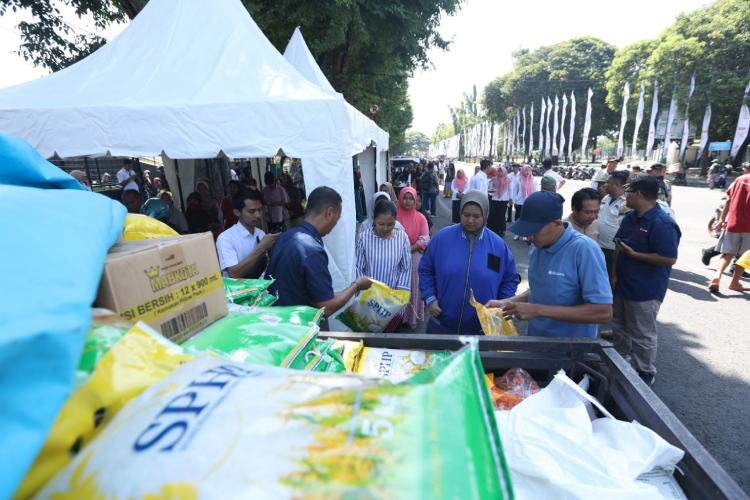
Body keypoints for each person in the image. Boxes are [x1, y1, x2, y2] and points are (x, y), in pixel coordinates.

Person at [488, 191, 613, 338]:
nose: (529, 237)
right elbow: (542, 287)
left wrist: (538, 310)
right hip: (536, 341)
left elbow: (603, 312)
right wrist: (507, 302)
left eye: (534, 231)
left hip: (571, 350)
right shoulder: (537, 245)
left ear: (557, 224)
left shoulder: (585, 250)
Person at [611, 176, 681, 387]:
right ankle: (619, 360)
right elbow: (618, 245)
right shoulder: (630, 217)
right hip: (622, 284)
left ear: (639, 194)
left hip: (645, 290)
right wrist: (613, 275)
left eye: (629, 191)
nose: (626, 195)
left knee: (642, 333)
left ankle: (644, 372)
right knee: (619, 327)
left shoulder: (663, 223)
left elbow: (670, 258)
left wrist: (635, 255)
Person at [419, 190, 518, 335]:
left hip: (482, 329)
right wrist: (430, 298)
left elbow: (509, 279)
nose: (470, 220)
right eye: (466, 215)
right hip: (442, 325)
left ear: (485, 215)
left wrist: (500, 306)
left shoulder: (497, 246)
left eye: (476, 216)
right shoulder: (442, 239)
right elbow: (425, 269)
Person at [266, 187, 373, 318]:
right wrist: (356, 285)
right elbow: (326, 307)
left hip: (274, 317)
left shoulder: (284, 237)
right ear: (329, 212)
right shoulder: (312, 250)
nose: (335, 224)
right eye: (337, 218)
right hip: (297, 325)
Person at [355, 200, 412, 333]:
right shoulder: (364, 237)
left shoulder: (402, 237)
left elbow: (406, 269)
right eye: (381, 224)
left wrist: (398, 300)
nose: (385, 228)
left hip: (393, 303)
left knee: (391, 342)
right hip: (369, 301)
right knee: (369, 342)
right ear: (373, 218)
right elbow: (359, 268)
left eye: (390, 224)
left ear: (396, 220)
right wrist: (363, 296)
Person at [216, 189, 280, 280]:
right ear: (237, 212)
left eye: (260, 210)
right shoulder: (226, 238)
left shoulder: (260, 233)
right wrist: (261, 248)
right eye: (252, 211)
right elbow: (233, 274)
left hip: (262, 289)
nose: (258, 215)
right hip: (240, 292)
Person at [709, 164, 750, 293]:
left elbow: (728, 200)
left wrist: (722, 220)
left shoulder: (739, 179)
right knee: (743, 256)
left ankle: (717, 276)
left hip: (733, 222)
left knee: (728, 253)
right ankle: (734, 282)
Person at [398, 187, 430, 329]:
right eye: (405, 198)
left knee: (412, 287)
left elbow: (424, 239)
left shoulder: (420, 218)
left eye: (411, 199)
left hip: (413, 256)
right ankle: (396, 318)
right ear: (400, 198)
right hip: (394, 256)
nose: (408, 201)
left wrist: (407, 251)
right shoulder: (394, 215)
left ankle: (411, 318)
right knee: (396, 288)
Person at [599, 170, 632, 275]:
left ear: (616, 185)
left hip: (612, 250)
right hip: (599, 247)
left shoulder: (627, 202)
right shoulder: (605, 198)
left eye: (608, 182)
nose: (605, 185)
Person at [510, 165, 537, 242]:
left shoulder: (534, 180)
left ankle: (525, 234)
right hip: (520, 201)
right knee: (518, 218)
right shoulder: (519, 180)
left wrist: (534, 202)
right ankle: (517, 234)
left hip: (529, 202)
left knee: (527, 219)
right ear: (522, 171)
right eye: (526, 170)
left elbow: (535, 192)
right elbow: (515, 191)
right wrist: (514, 201)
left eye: (529, 170)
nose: (528, 172)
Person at [488, 165, 512, 237]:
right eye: (498, 171)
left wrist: (510, 199)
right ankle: (492, 228)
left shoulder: (508, 180)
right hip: (495, 198)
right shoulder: (494, 179)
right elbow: (490, 188)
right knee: (492, 214)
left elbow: (510, 190)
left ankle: (501, 230)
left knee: (501, 215)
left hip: (504, 199)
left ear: (504, 172)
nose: (499, 172)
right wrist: (491, 184)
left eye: (501, 171)